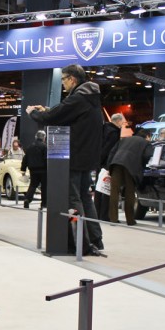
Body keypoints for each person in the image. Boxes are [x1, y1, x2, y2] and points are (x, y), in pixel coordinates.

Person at [26, 64, 104, 256]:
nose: (62, 84)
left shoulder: (79, 97)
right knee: (86, 198)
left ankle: (82, 245)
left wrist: (34, 113)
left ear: (72, 79)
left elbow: (53, 117)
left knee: (73, 199)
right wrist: (49, 110)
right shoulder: (90, 97)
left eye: (63, 80)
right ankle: (95, 239)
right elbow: (65, 114)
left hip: (74, 156)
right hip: (87, 157)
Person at [106, 128, 153, 226]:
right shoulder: (146, 143)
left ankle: (113, 219)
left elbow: (112, 152)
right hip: (131, 167)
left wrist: (108, 167)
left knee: (114, 192)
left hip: (116, 164)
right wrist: (142, 165)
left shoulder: (124, 139)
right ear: (148, 136)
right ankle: (130, 220)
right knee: (129, 193)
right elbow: (148, 156)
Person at [95, 113, 125, 221]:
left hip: (99, 162)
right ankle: (105, 215)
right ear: (118, 121)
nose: (123, 124)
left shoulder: (104, 128)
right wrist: (108, 166)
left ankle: (97, 213)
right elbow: (109, 149)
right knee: (106, 189)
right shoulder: (114, 132)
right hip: (106, 164)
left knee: (98, 188)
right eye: (122, 122)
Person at [21, 130, 47, 209]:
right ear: (43, 138)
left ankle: (27, 199)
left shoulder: (30, 147)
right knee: (44, 187)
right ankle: (44, 204)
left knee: (33, 185)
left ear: (36, 137)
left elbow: (25, 158)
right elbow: (46, 159)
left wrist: (23, 169)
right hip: (43, 170)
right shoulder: (45, 146)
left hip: (33, 170)